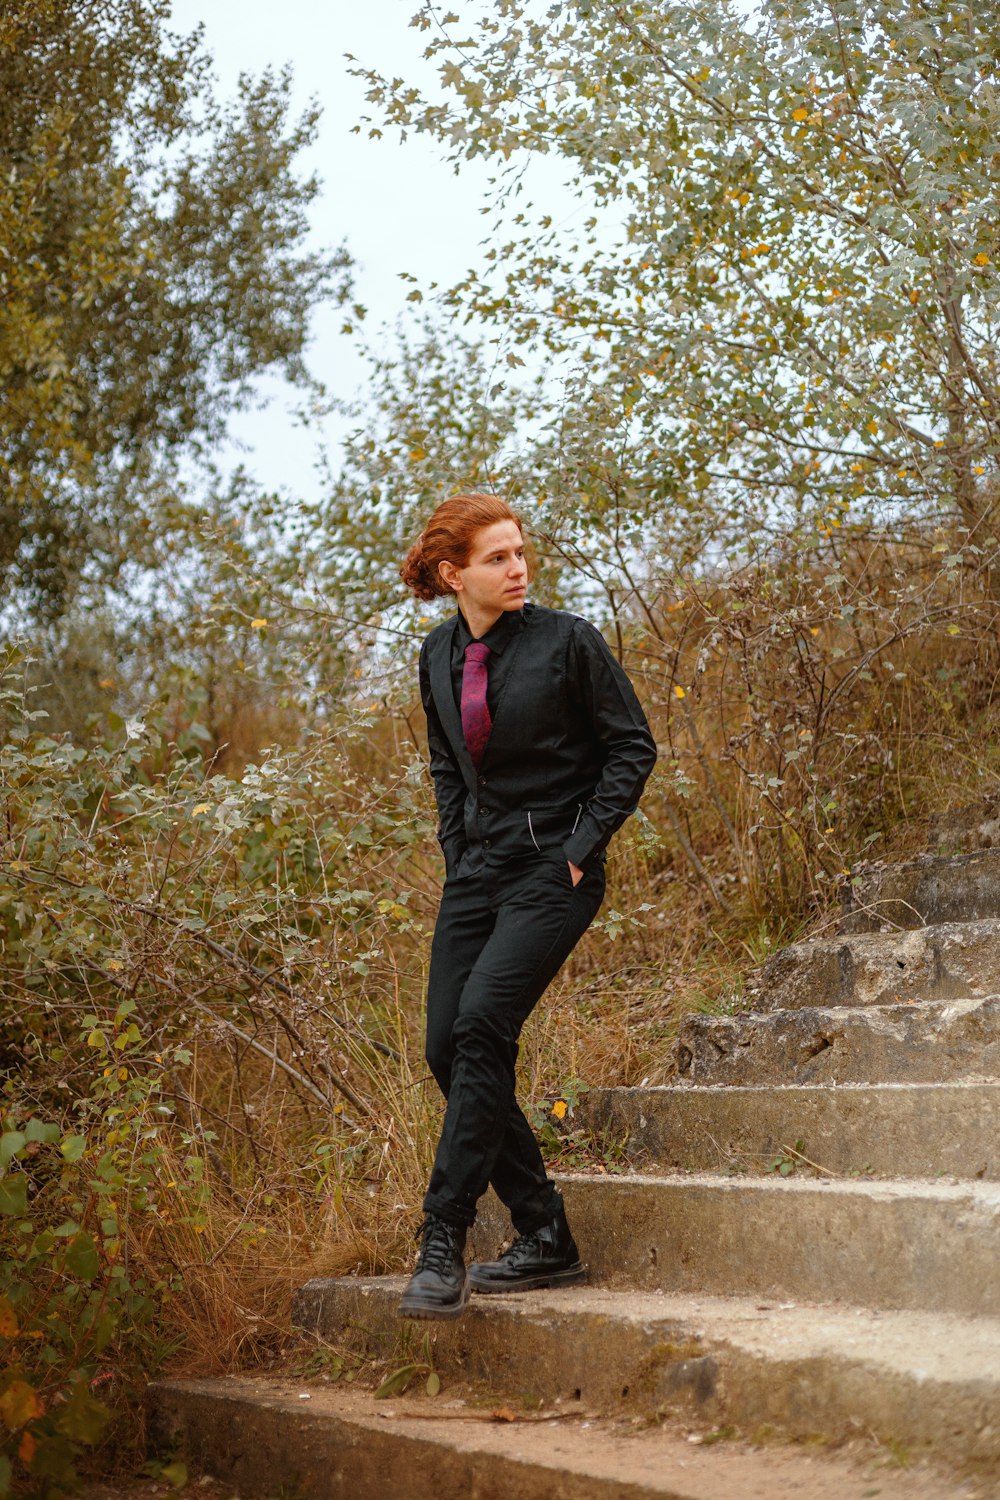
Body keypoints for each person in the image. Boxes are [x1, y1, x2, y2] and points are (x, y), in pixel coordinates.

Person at [396, 492, 657, 1319]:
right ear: (453, 574)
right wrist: (456, 850)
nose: (518, 568)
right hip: (477, 874)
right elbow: (446, 765)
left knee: (481, 1026)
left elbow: (632, 747)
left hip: (555, 869)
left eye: (519, 553)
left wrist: (582, 849)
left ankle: (444, 1235)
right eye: (497, 558)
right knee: (446, 1045)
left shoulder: (566, 642)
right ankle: (546, 1233)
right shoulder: (437, 656)